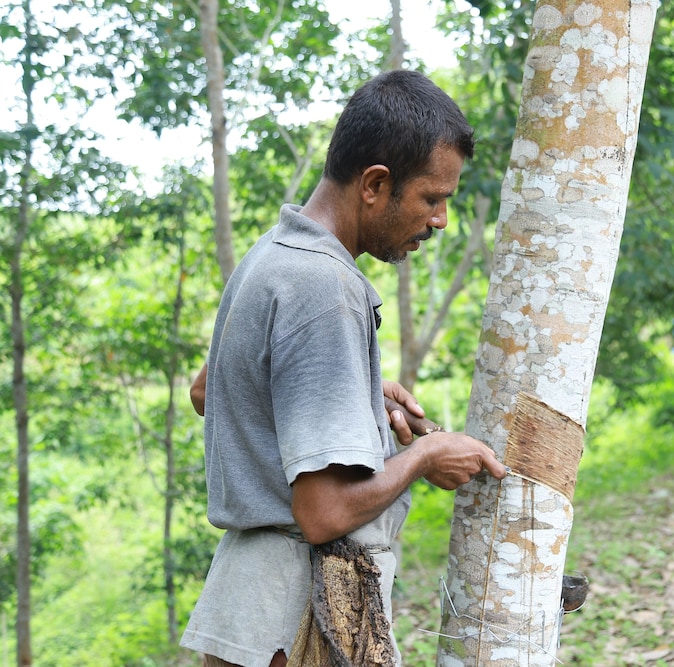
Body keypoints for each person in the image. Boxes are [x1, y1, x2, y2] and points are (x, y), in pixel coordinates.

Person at [180, 70, 507, 667]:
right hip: (299, 620)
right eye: (432, 199)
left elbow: (209, 389)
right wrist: (426, 456)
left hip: (247, 616)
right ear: (376, 185)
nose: (439, 221)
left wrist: (349, 389)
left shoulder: (272, 255)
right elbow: (323, 512)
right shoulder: (324, 286)